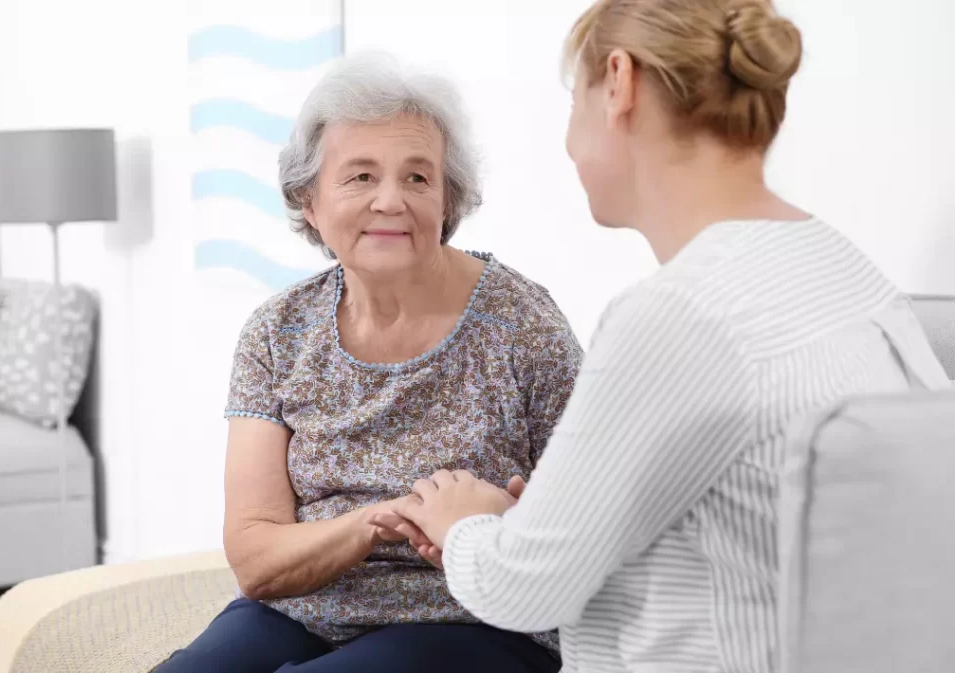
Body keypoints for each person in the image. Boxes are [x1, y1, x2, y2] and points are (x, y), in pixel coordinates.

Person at [384, 1, 951, 672]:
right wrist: (564, 508)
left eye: (575, 100)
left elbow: (520, 587)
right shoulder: (838, 265)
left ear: (618, 82)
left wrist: (463, 522)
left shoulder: (681, 314)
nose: (567, 141)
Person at [152, 53, 581, 673]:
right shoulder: (278, 333)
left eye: (417, 178)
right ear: (309, 200)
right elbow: (255, 556)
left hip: (471, 619)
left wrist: (501, 521)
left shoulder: (522, 323)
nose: (390, 201)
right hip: (304, 606)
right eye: (359, 177)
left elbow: (587, 518)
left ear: (447, 199)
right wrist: (384, 519)